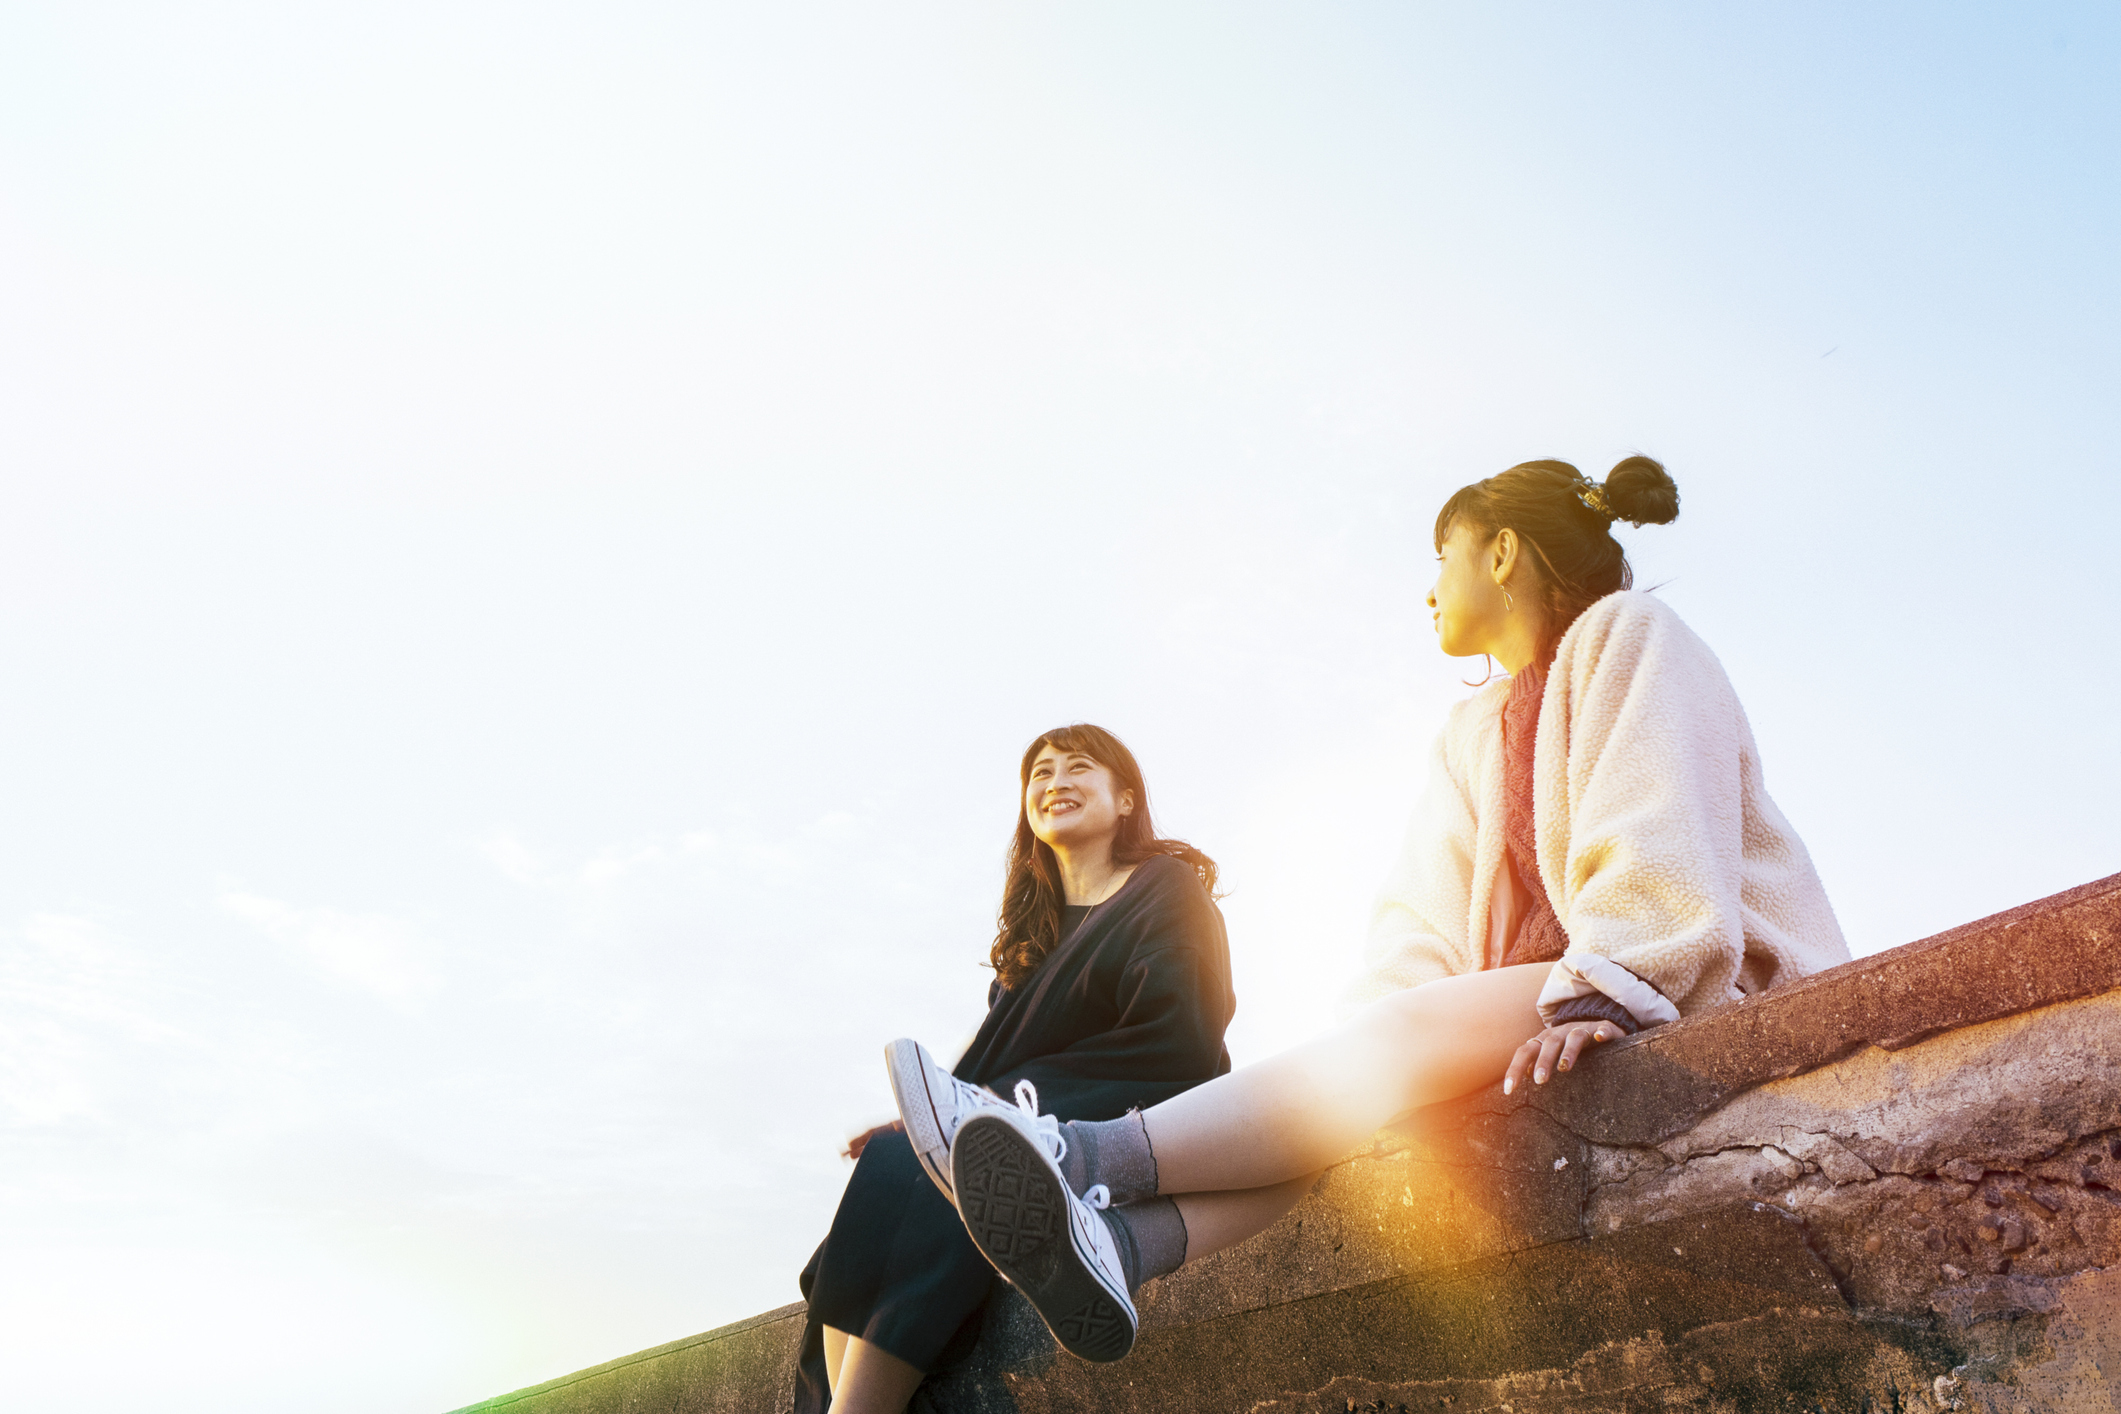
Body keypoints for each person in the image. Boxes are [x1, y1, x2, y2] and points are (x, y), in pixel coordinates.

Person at [889, 456, 1851, 1363]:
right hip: (1541, 1002)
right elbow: (1418, 916)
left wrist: (1614, 983)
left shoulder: (1627, 635)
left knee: (1371, 1070)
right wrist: (1361, 1063)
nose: (1431, 586)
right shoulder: (1470, 730)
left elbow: (1661, 819)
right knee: (1346, 1104)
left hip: (1673, 980)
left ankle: (1074, 1155)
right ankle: (1123, 1247)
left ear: (1501, 551)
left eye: (1444, 557)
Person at [797, 724, 1236, 1412]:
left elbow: (1179, 1031)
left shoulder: (1163, 887)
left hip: (1137, 1098)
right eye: (1039, 773)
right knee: (892, 1160)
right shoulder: (1032, 943)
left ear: (1124, 798)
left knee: (955, 1162)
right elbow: (988, 1069)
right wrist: (923, 1117)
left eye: (1077, 767)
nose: (1054, 781)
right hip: (1022, 1107)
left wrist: (986, 1109)